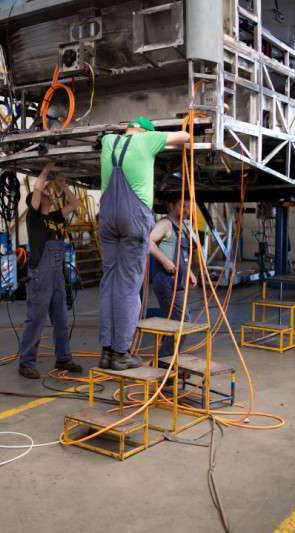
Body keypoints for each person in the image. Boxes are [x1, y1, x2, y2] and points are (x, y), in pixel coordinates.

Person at [98, 117, 190, 370]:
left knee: (109, 282)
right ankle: (121, 353)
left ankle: (106, 351)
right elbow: (185, 137)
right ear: (145, 131)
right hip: (132, 219)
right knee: (128, 286)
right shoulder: (147, 139)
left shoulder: (108, 141)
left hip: (107, 218)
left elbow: (104, 136)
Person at [18, 161, 82, 379]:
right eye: (45, 194)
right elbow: (36, 188)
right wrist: (46, 169)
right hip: (40, 275)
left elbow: (74, 205)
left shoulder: (55, 217)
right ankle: (26, 363)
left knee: (61, 318)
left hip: (56, 274)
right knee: (36, 319)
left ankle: (63, 358)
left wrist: (63, 186)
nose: (47, 194)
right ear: (35, 202)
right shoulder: (34, 217)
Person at [149, 194, 198, 359]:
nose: (186, 210)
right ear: (172, 206)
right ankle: (164, 360)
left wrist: (189, 272)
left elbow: (182, 254)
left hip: (179, 281)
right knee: (182, 322)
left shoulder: (182, 226)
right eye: (182, 206)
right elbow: (148, 241)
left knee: (175, 322)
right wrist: (164, 260)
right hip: (166, 281)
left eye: (188, 207)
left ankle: (166, 358)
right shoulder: (165, 224)